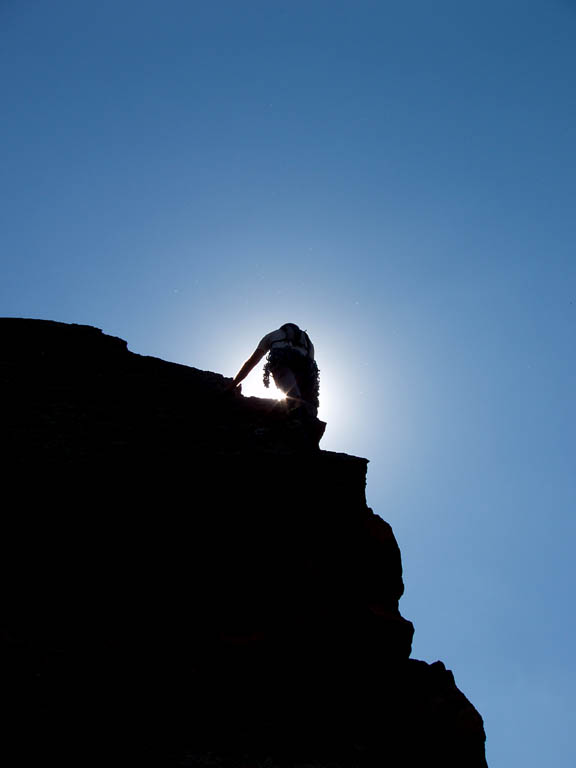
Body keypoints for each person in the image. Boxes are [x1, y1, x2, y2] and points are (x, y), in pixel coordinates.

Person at [228, 323, 320, 417]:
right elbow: (311, 369)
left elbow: (251, 362)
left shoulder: (273, 335)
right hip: (305, 369)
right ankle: (307, 411)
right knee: (308, 404)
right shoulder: (307, 341)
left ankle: (294, 403)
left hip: (281, 364)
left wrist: (232, 385)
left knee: (280, 366)